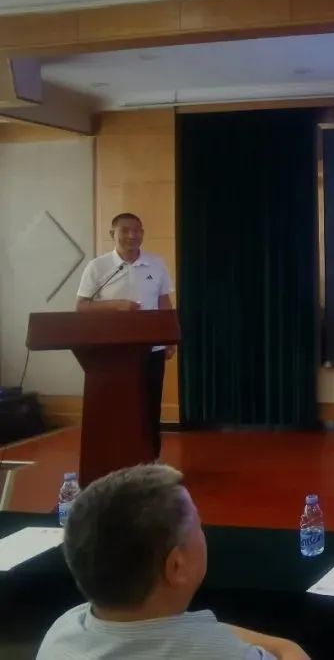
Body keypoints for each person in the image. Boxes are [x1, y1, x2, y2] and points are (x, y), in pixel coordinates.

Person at [37, 464, 309, 660]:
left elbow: (196, 632)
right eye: (198, 524)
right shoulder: (222, 654)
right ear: (176, 566)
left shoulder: (64, 629)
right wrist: (289, 648)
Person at [76, 213, 174, 458]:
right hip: (111, 352)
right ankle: (113, 458)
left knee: (150, 406)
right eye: (125, 230)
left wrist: (170, 337)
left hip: (151, 348)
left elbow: (164, 302)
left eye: (137, 230)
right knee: (115, 407)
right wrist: (117, 305)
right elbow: (82, 306)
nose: (132, 235)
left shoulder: (156, 263)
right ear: (113, 234)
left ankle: (150, 459)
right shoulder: (98, 266)